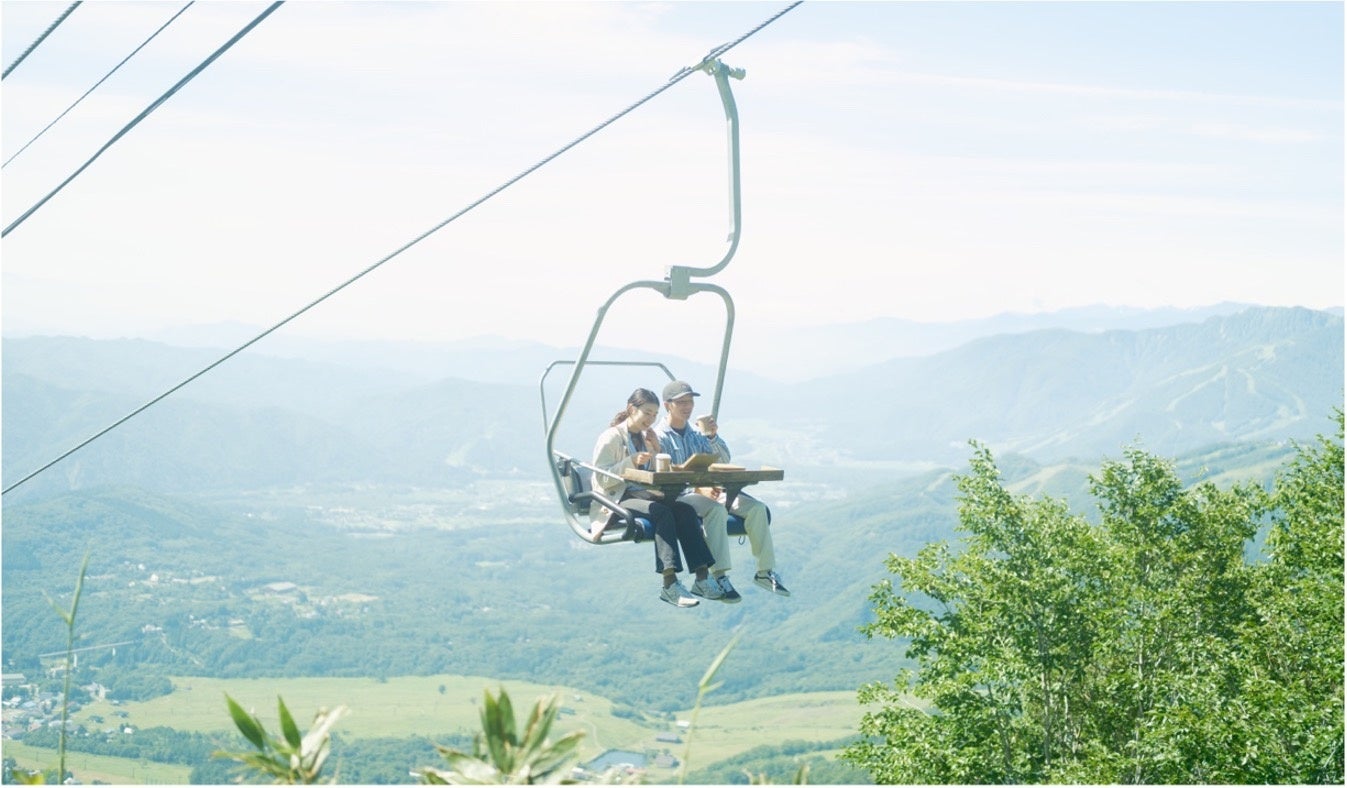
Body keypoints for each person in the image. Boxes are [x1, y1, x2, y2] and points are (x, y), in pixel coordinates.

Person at [653, 380, 790, 599]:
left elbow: (724, 460)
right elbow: (662, 473)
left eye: (690, 402)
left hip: (711, 489)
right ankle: (720, 575)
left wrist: (712, 436)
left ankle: (765, 571)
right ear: (668, 405)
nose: (687, 407)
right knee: (715, 510)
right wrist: (700, 486)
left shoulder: (697, 434)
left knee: (756, 509)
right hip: (683, 495)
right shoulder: (658, 437)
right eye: (682, 403)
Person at [591, 387, 724, 608]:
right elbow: (601, 479)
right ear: (632, 409)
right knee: (661, 513)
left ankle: (702, 577)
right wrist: (631, 461)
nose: (651, 420)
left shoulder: (645, 437)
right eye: (647, 413)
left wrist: (655, 450)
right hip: (616, 498)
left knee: (684, 510)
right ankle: (670, 583)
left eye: (654, 415)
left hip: (641, 492)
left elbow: (651, 473)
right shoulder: (612, 437)